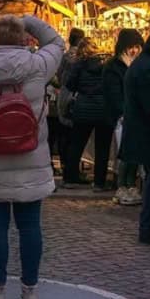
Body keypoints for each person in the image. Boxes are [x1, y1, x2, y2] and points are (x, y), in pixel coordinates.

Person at [0, 14, 66, 299]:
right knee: (30, 226)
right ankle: (30, 290)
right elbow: (56, 42)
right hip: (31, 156)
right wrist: (28, 20)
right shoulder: (38, 66)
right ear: (24, 38)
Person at [64, 34, 116, 189]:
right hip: (103, 109)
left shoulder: (79, 65)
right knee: (102, 148)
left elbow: (70, 84)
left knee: (77, 144)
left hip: (83, 109)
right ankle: (99, 182)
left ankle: (70, 178)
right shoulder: (107, 64)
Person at [119, 29, 150, 241]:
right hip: (145, 134)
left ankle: (147, 229)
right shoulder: (146, 68)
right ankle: (147, 229)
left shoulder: (141, 64)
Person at [107, 30, 145, 209]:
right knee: (126, 152)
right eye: (131, 47)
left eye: (137, 47)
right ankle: (122, 186)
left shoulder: (139, 65)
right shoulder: (113, 66)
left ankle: (131, 185)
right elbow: (113, 93)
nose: (134, 50)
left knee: (135, 152)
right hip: (122, 117)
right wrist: (122, 112)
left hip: (136, 116)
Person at [51, 28, 86, 180]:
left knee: (64, 134)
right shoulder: (80, 58)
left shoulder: (65, 56)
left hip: (63, 95)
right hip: (74, 97)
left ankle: (66, 167)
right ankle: (72, 171)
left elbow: (59, 76)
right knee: (73, 137)